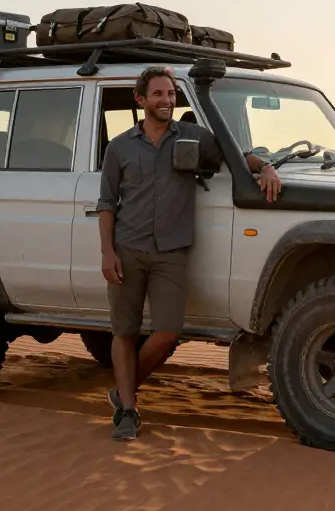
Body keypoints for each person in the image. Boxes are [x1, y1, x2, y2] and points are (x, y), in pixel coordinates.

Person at [96, 66, 283, 441]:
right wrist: (107, 253)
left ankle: (123, 389)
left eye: (171, 94)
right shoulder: (119, 147)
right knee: (125, 331)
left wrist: (265, 167)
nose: (167, 100)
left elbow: (235, 154)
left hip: (171, 253)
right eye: (159, 94)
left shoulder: (194, 138)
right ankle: (129, 411)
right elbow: (106, 203)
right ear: (141, 100)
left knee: (166, 334)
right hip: (128, 249)